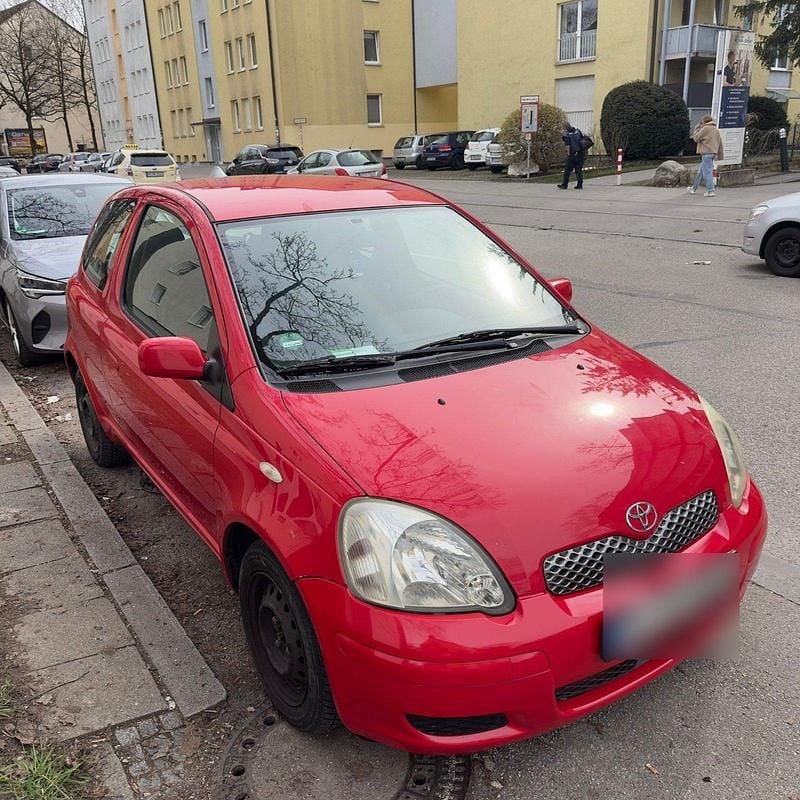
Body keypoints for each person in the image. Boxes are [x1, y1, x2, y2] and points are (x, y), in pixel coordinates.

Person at [689, 115, 724, 197]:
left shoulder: (705, 128)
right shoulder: (715, 130)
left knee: (707, 172)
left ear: (704, 121)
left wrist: (696, 129)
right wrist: (720, 155)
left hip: (706, 153)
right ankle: (694, 188)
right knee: (700, 172)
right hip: (713, 153)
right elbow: (720, 143)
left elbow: (696, 139)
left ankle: (710, 191)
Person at [557, 122, 585, 190]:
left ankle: (565, 184)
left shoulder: (567, 134)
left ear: (565, 128)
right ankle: (579, 184)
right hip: (580, 153)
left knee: (567, 170)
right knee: (578, 170)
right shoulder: (578, 131)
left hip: (573, 154)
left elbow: (568, 145)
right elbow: (582, 140)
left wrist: (568, 153)